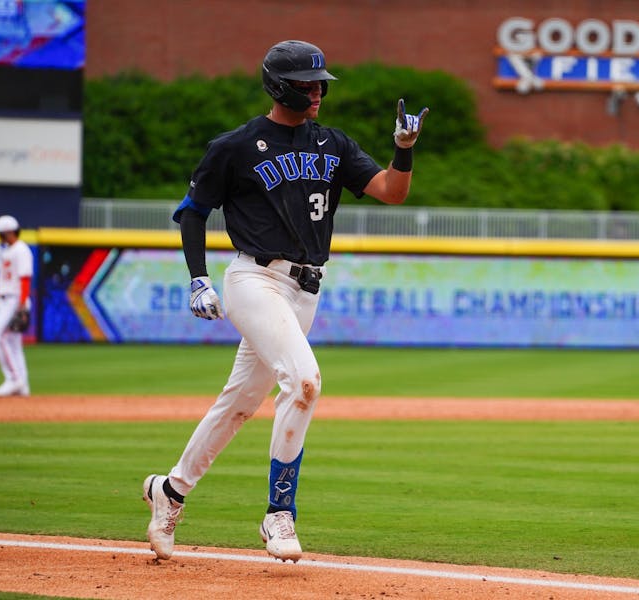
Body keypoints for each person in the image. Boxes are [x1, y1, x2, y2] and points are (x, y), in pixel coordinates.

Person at [142, 39, 428, 563]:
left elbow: (392, 191)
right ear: (278, 85)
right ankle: (280, 514)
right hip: (254, 279)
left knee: (239, 405)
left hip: (305, 289)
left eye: (319, 82)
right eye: (306, 82)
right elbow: (192, 212)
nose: (317, 90)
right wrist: (197, 278)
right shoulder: (235, 146)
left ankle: (171, 490)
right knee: (304, 382)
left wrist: (403, 149)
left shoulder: (333, 144)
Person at [0, 214, 33, 397]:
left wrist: (22, 305)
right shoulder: (8, 251)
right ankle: (23, 385)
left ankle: (14, 379)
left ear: (9, 232)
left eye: (0, 233)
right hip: (8, 298)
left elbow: (25, 279)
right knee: (13, 343)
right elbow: (3, 282)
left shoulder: (21, 250)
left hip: (16, 300)